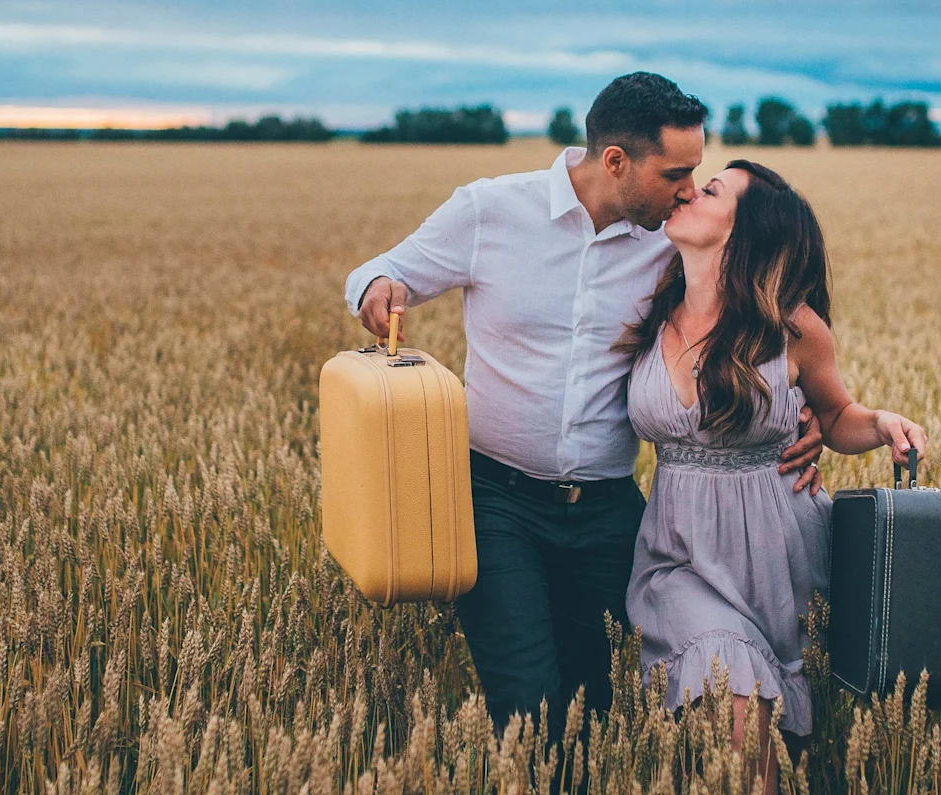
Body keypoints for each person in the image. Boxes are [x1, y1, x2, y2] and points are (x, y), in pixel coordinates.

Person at [344, 73, 826, 739]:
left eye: (697, 173)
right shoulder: (488, 211)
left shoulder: (672, 241)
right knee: (532, 707)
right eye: (676, 173)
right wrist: (379, 286)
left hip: (610, 512)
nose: (690, 190)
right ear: (616, 161)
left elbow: (754, 312)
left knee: (599, 707)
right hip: (496, 504)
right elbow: (380, 270)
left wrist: (801, 411)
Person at [615, 159, 926, 789]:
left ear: (745, 232)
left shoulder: (793, 328)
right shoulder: (650, 305)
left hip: (775, 555)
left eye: (711, 191)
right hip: (678, 554)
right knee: (737, 701)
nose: (689, 192)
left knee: (755, 741)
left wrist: (881, 423)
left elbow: (834, 415)